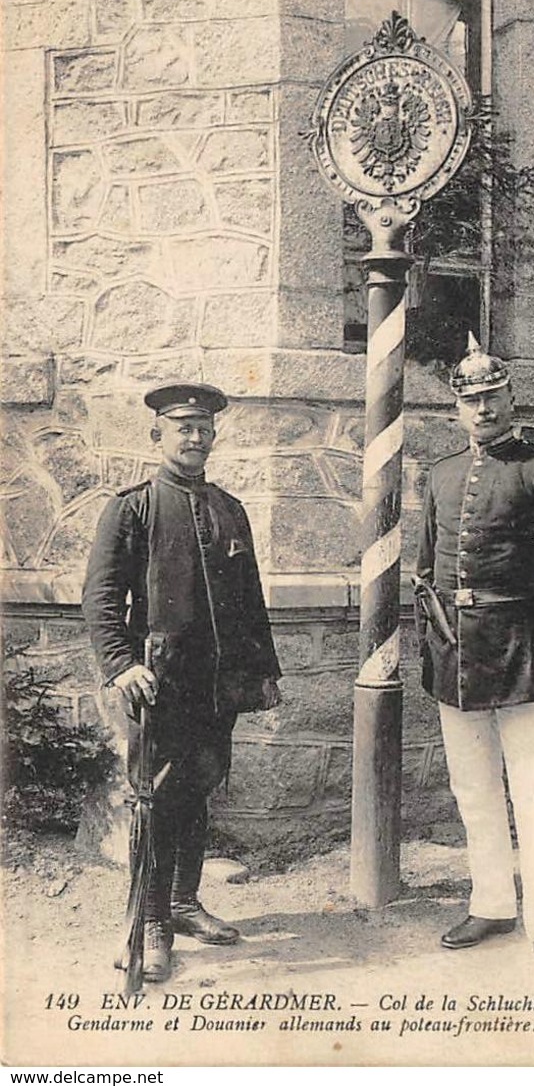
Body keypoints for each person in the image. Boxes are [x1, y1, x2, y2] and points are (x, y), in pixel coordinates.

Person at [415, 333, 534, 984]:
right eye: (471, 403)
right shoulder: (440, 476)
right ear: (456, 411)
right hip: (458, 650)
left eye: (494, 397)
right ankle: (493, 903)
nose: (484, 411)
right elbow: (425, 569)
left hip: (524, 646)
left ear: (511, 399)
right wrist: (436, 634)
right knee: (472, 787)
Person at [82, 381, 281, 982]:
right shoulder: (132, 507)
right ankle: (151, 923)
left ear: (213, 436)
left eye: (203, 429)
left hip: (214, 686)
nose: (194, 438)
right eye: (182, 429)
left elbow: (250, 600)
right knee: (154, 802)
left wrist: (263, 671)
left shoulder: (228, 507)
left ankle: (185, 902)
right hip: (159, 688)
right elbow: (98, 599)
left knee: (198, 789)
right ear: (158, 436)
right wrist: (122, 665)